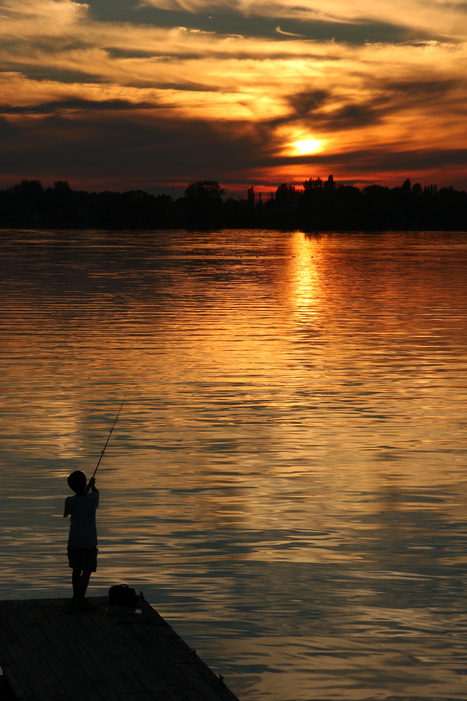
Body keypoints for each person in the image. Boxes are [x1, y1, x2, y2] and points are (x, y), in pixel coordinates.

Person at [63, 470, 99, 611]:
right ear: (84, 483)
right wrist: (92, 486)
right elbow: (96, 494)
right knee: (87, 570)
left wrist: (84, 490)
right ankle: (80, 599)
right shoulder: (92, 498)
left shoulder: (69, 501)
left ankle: (76, 598)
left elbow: (67, 514)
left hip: (74, 540)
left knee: (76, 569)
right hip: (88, 541)